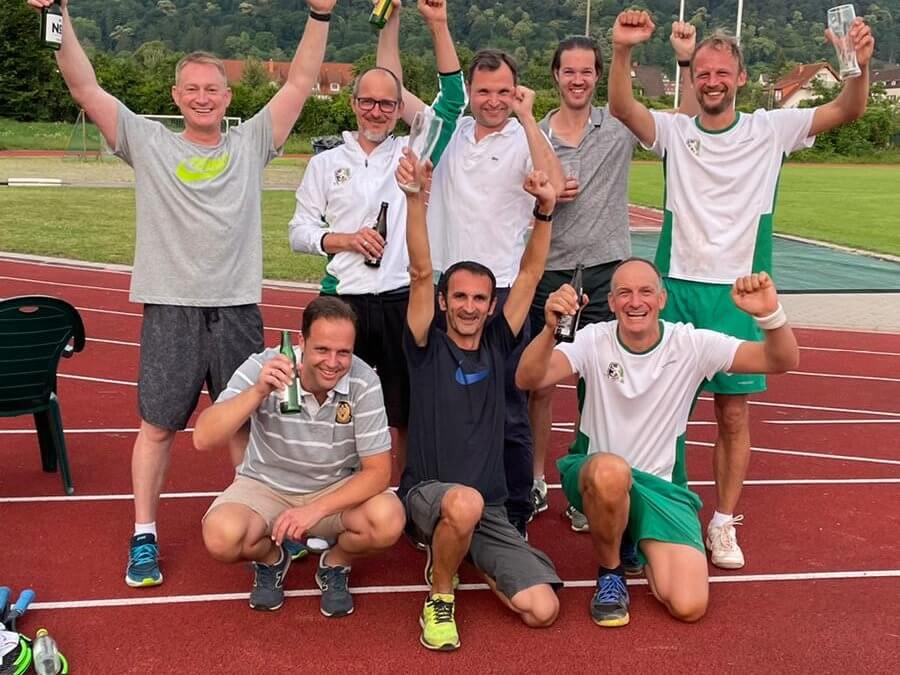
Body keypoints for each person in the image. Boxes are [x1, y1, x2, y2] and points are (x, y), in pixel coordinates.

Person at [25, 0, 339, 587]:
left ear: (227, 96)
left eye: (212, 89)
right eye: (191, 88)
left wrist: (319, 16)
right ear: (176, 96)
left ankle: (258, 528)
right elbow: (86, 87)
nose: (202, 97)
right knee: (158, 426)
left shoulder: (251, 142)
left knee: (245, 426)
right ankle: (144, 535)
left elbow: (299, 82)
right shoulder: (149, 142)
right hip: (171, 308)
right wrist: (58, 16)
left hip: (236, 307)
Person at [607, 9, 874, 568]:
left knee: (731, 415)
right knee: (660, 414)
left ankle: (723, 522)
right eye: (703, 73)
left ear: (741, 78)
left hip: (739, 293)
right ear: (692, 77)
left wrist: (856, 66)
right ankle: (660, 512)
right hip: (676, 289)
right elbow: (623, 107)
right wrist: (623, 49)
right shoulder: (676, 132)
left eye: (722, 73)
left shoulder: (770, 129)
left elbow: (849, 108)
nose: (712, 82)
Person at [516, 258, 800, 626]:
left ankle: (634, 538)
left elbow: (781, 359)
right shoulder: (592, 339)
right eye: (624, 293)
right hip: (594, 475)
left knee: (689, 605)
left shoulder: (692, 344)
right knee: (611, 472)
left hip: (662, 488)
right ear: (612, 302)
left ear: (662, 299)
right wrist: (549, 331)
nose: (636, 302)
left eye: (646, 292)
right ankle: (611, 572)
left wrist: (770, 315)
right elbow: (528, 378)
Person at [528, 25, 697, 536]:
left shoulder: (618, 125)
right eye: (569, 71)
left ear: (598, 76)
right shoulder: (534, 133)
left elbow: (684, 124)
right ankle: (536, 479)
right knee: (541, 382)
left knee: (599, 383)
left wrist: (684, 61)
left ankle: (588, 485)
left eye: (586, 72)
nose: (577, 80)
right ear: (555, 76)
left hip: (606, 270)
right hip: (551, 269)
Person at [289, 0, 464, 472]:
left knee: (406, 412)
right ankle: (337, 496)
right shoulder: (325, 163)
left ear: (399, 109)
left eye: (387, 104)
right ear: (353, 103)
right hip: (343, 300)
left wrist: (438, 24)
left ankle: (407, 497)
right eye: (367, 101)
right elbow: (299, 232)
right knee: (336, 408)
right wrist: (344, 240)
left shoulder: (413, 150)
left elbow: (453, 102)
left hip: (402, 298)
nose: (377, 111)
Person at [398, 152, 562, 651]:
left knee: (542, 609)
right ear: (444, 302)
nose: (469, 307)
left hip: (486, 506)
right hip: (429, 493)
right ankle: (441, 592)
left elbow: (530, 274)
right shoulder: (425, 345)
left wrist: (545, 211)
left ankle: (467, 550)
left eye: (479, 299)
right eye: (459, 297)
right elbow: (421, 271)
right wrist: (415, 200)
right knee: (461, 503)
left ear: (492, 306)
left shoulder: (497, 343)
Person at [426, 48, 565, 535]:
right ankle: (444, 507)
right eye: (483, 91)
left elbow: (557, 183)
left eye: (504, 91)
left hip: (503, 293)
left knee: (508, 408)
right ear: (469, 91)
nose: (493, 100)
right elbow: (399, 94)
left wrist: (526, 118)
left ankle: (515, 510)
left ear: (517, 91)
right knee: (445, 407)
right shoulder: (450, 131)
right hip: (449, 292)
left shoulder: (526, 137)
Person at [194, 296, 405, 617]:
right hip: (266, 486)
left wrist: (314, 511)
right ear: (302, 343)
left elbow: (378, 472)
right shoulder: (265, 365)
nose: (333, 362)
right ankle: (272, 560)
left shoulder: (363, 381)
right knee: (222, 537)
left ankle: (335, 563)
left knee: (388, 519)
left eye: (343, 352)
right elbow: (203, 438)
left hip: (334, 488)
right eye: (322, 349)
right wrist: (258, 391)